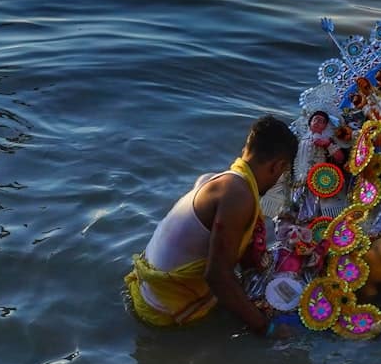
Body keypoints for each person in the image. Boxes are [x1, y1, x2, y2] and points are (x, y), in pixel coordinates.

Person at [125, 115, 298, 333]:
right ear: (278, 166)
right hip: (165, 310)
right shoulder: (238, 197)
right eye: (282, 175)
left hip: (146, 290)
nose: (277, 183)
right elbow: (217, 276)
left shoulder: (216, 180)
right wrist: (267, 328)